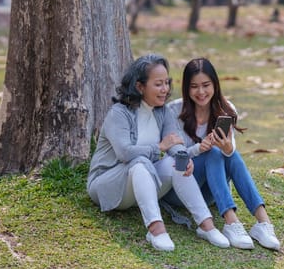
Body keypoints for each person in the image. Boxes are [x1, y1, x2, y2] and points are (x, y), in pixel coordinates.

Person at [86, 54, 230, 252]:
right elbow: (125, 153)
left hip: (142, 181)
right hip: (107, 184)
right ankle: (156, 229)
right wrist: (159, 147)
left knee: (175, 162)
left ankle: (206, 226)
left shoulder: (163, 112)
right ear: (140, 86)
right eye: (158, 84)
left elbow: (175, 142)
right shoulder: (119, 114)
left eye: (166, 83)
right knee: (139, 162)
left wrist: (183, 157)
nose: (165, 90)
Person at [165, 57, 281, 250]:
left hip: (211, 193)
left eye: (206, 85)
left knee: (228, 154)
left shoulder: (226, 109)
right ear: (186, 88)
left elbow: (230, 153)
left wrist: (227, 147)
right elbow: (174, 155)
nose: (201, 92)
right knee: (212, 153)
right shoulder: (173, 111)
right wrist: (199, 148)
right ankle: (231, 222)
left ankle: (263, 223)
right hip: (181, 189)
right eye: (194, 86)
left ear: (215, 85)